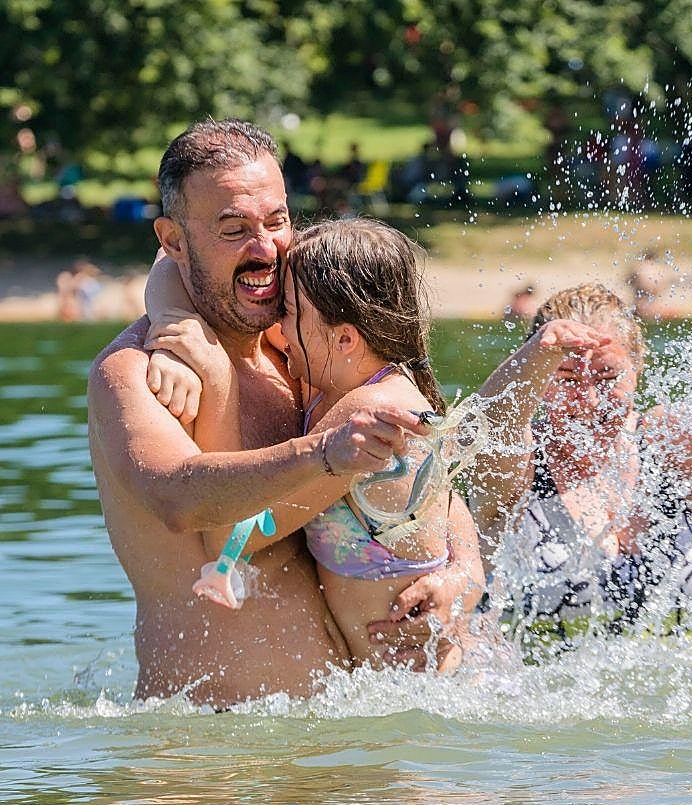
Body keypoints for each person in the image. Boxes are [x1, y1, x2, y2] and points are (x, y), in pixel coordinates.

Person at [88, 119, 480, 708]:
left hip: (347, 737)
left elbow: (433, 479)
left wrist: (462, 576)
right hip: (211, 743)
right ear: (171, 240)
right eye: (233, 229)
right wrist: (323, 454)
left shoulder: (301, 341)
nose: (266, 248)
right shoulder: (138, 371)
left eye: (276, 222)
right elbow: (178, 500)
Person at [145, 217, 481, 671]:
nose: (275, 324)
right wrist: (172, 319)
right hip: (389, 691)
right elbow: (170, 259)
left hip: (425, 693)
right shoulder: (333, 383)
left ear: (344, 337)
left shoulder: (367, 414)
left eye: (286, 309)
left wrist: (216, 375)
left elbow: (230, 535)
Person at [469, 284, 692, 635]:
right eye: (568, 378)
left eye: (608, 377)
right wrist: (534, 354)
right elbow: (488, 424)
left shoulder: (662, 442)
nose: (590, 400)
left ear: (637, 367)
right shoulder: (521, 463)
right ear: (541, 381)